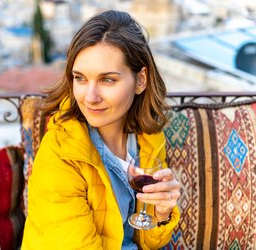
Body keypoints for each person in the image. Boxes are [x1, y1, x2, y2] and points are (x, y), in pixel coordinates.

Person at [21, 10, 181, 250]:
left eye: (107, 80)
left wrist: (161, 212)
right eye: (81, 79)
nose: (90, 97)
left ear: (140, 80)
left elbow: (144, 241)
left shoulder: (148, 138)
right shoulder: (60, 153)